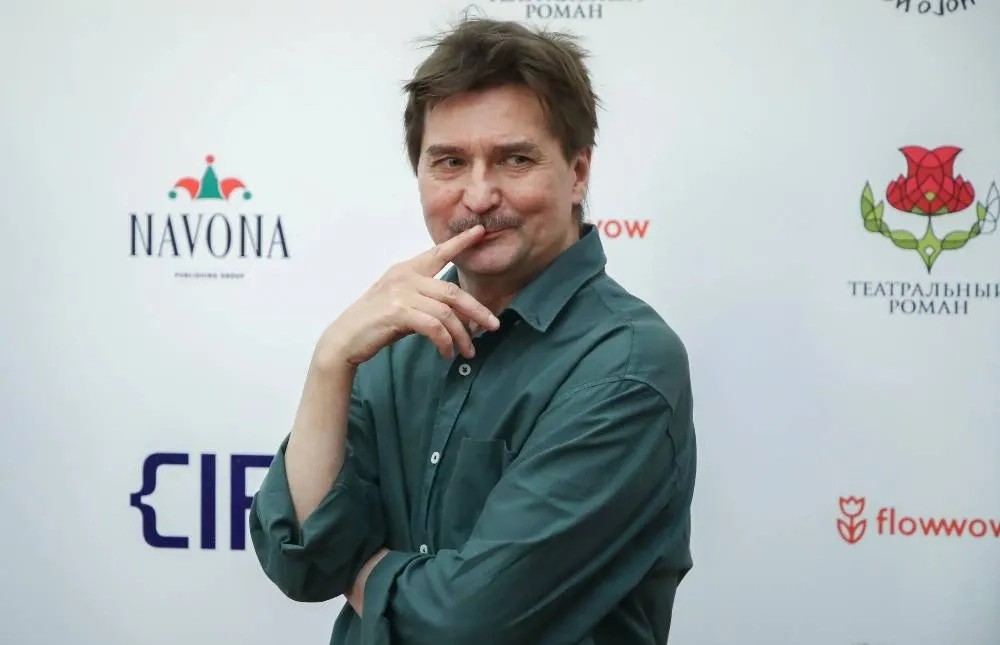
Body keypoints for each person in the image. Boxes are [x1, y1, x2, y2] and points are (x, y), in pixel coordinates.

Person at [249, 15, 697, 645]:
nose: (479, 195)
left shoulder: (625, 364)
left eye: (515, 159)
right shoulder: (394, 336)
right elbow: (301, 558)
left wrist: (365, 574)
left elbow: (468, 624)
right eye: (450, 162)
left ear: (578, 173)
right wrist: (330, 363)